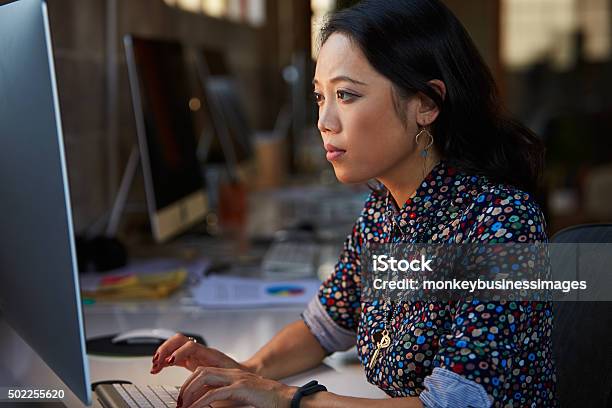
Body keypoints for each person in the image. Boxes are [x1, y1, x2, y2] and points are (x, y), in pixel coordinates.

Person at [151, 0, 557, 406]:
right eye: (319, 97)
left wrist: (289, 399)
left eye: (345, 94)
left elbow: (450, 405)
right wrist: (246, 371)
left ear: (426, 104)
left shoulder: (502, 221)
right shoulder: (382, 212)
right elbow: (323, 328)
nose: (324, 121)